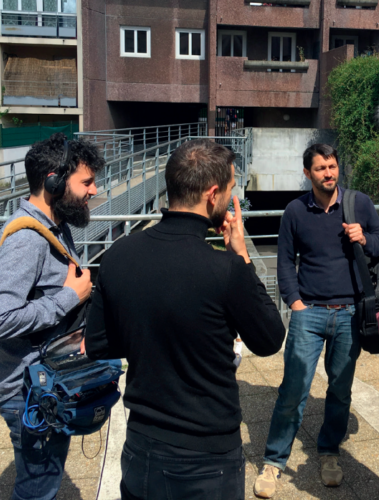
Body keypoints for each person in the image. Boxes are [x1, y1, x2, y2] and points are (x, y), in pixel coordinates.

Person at [84, 139, 286, 500]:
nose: (229, 198)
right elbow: (270, 339)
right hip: (208, 456)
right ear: (213, 195)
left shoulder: (117, 256)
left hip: (141, 447)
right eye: (230, 189)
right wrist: (242, 257)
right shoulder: (225, 269)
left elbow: (99, 343)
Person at [253, 143, 379, 498]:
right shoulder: (295, 211)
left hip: (350, 313)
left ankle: (329, 451)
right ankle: (274, 460)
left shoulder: (359, 203)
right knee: (293, 389)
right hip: (308, 312)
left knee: (340, 390)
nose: (328, 173)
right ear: (307, 173)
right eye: (320, 169)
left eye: (332, 166)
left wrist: (365, 237)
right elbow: (285, 260)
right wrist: (294, 302)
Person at [0, 133, 105, 500]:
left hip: (46, 383)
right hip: (29, 392)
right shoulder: (27, 240)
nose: (94, 190)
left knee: (43, 484)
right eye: (86, 182)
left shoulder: (56, 226)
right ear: (54, 180)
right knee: (37, 491)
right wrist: (69, 297)